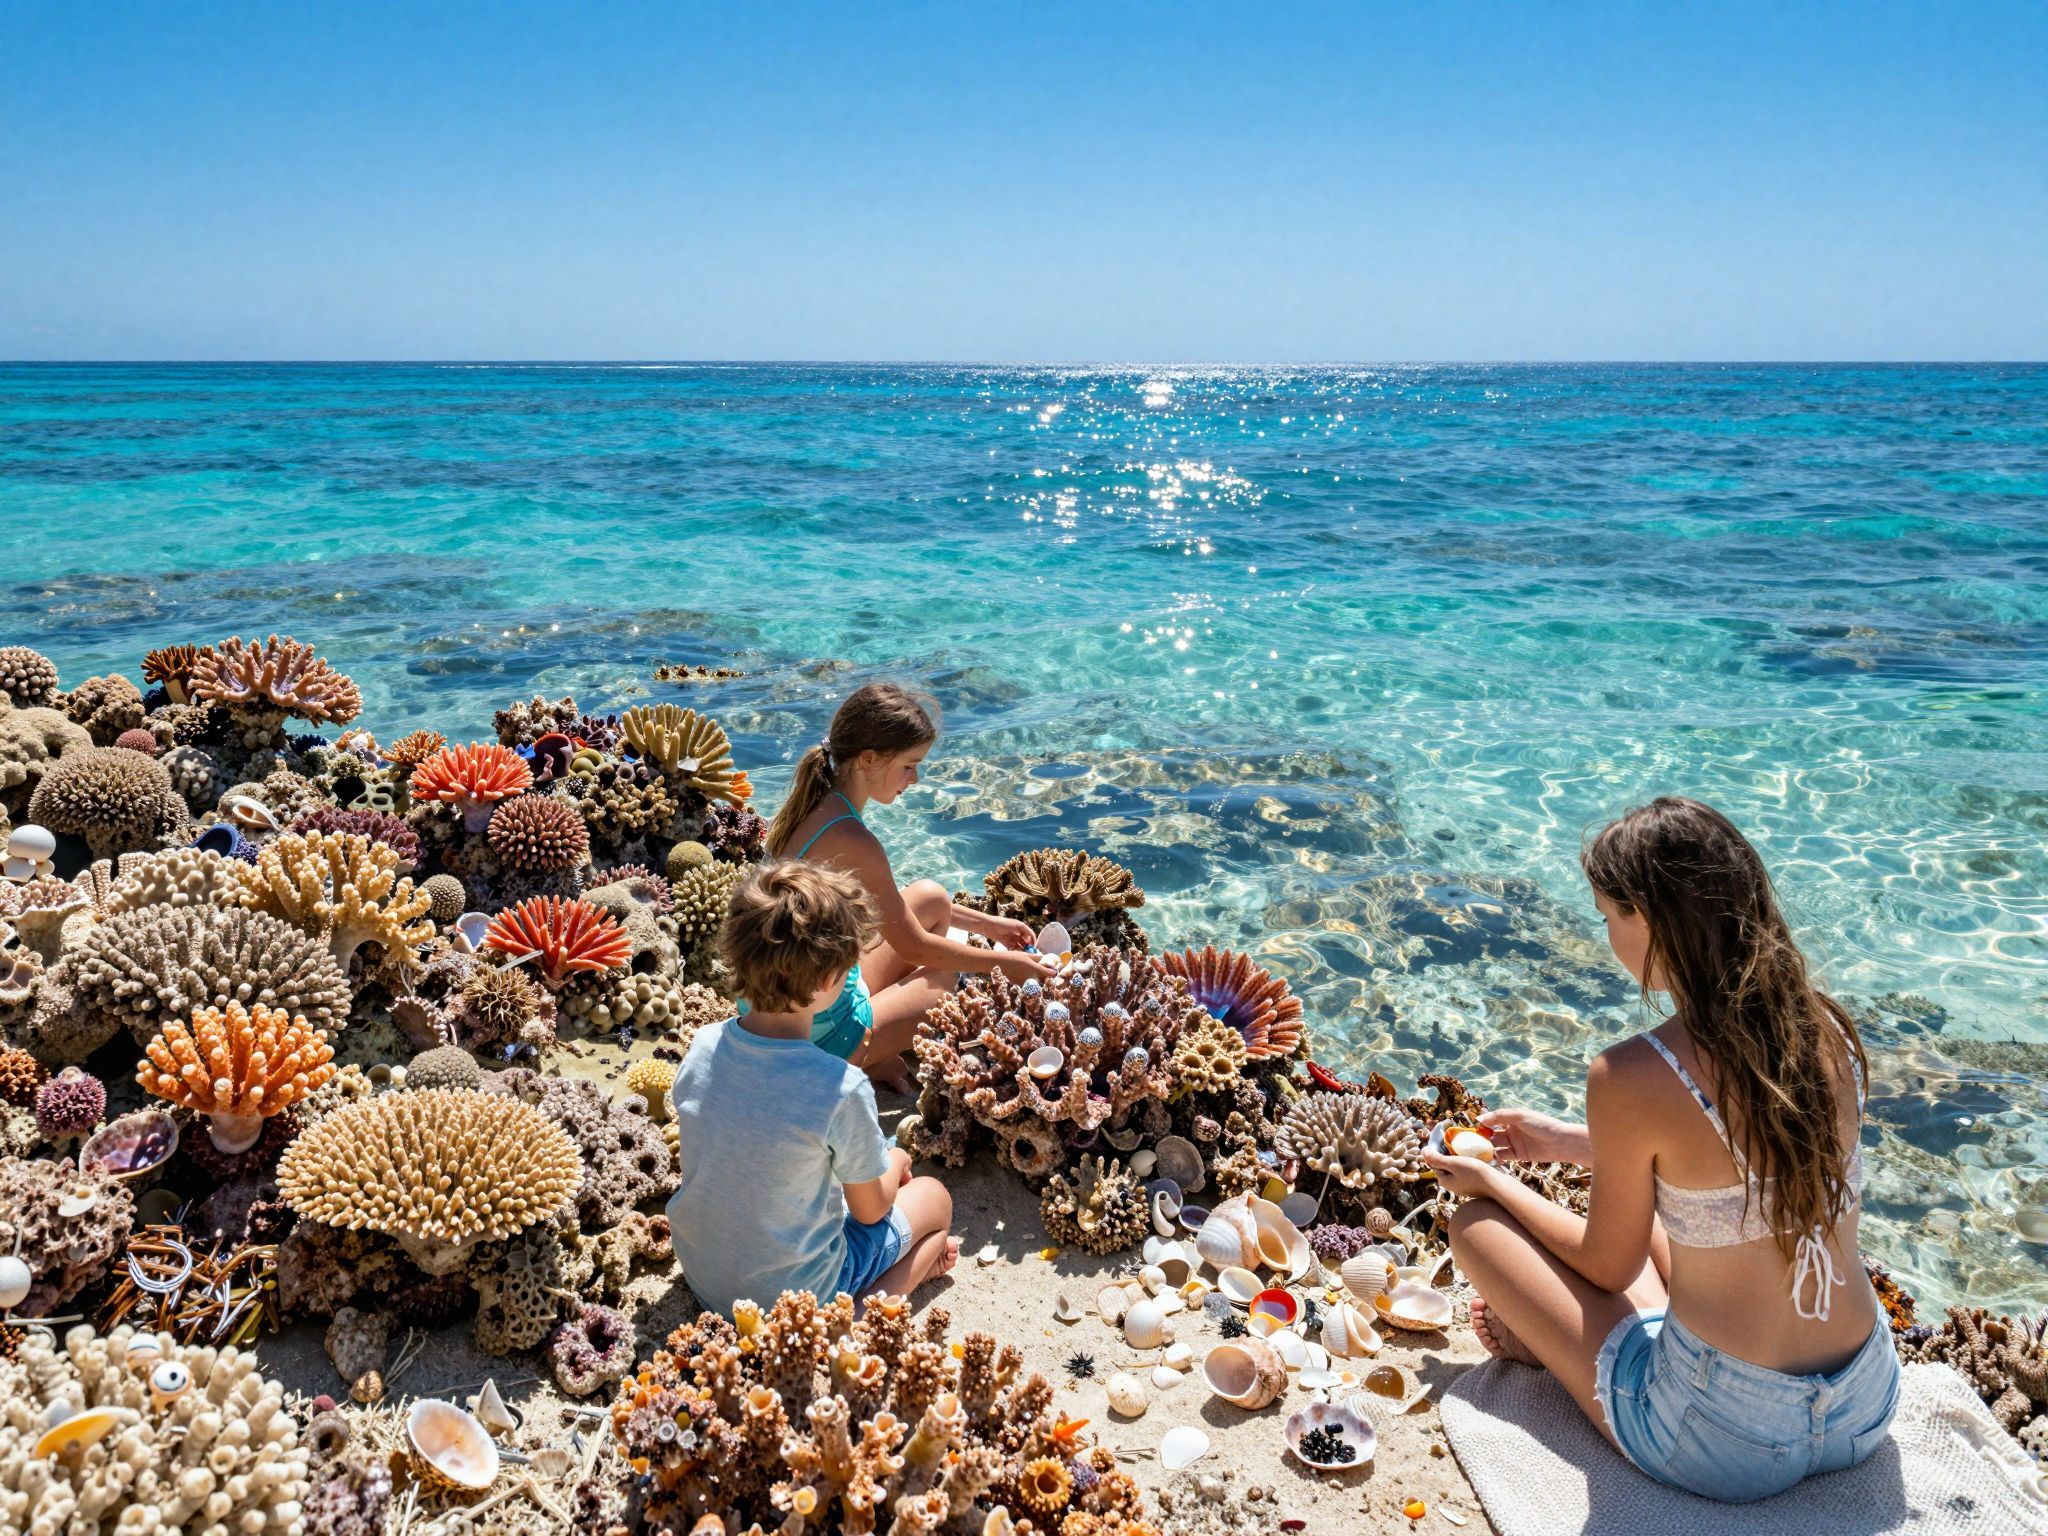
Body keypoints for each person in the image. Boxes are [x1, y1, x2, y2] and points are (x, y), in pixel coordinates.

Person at [1426, 796, 1898, 1503]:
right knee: (1671, 1223)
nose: (1606, 935)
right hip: (1863, 1402)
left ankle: (1555, 1343)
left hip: (1721, 1436)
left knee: (1476, 1228)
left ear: (1646, 917)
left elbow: (1606, 1267)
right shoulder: (1823, 1026)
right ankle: (1571, 1337)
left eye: (1607, 917)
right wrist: (1573, 1144)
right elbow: (1742, 1170)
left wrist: (1493, 1184)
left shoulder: (1632, 1073)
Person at [666, 861, 960, 1315]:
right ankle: (866, 1314)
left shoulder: (703, 1045)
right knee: (934, 1200)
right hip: (793, 1300)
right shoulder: (839, 1087)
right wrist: (899, 1159)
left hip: (703, 1274)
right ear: (826, 981)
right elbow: (869, 1212)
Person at [764, 681, 1057, 1092]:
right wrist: (1007, 964)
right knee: (945, 980)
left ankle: (872, 1050)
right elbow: (913, 947)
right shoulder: (853, 838)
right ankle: (857, 1058)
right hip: (808, 1039)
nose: (915, 778)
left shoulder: (822, 807)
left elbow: (896, 909)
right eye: (909, 765)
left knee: (930, 897)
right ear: (868, 759)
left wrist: (990, 925)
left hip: (784, 1004)